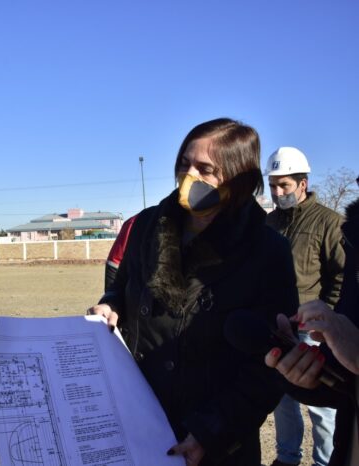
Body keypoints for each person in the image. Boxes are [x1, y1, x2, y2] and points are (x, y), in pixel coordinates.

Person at [88, 118, 299, 466]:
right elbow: (121, 288)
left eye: (206, 169)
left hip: (216, 442)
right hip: (141, 423)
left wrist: (211, 431)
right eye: (185, 163)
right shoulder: (146, 226)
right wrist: (111, 307)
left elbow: (270, 364)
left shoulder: (267, 250)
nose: (190, 176)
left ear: (239, 178)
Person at [265, 190, 359, 466]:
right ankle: (288, 456)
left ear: (302, 183)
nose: (278, 192)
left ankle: (322, 458)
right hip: (295, 324)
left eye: (283, 184)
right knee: (289, 398)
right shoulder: (270, 223)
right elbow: (346, 387)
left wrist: (332, 319)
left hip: (319, 325)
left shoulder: (327, 221)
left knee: (322, 416)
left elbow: (338, 276)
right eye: (273, 185)